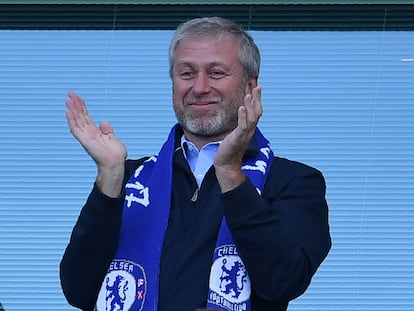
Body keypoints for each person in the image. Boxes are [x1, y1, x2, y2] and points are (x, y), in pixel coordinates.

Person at [60, 16, 331, 311]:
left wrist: (230, 175)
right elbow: (79, 290)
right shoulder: (129, 179)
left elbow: (284, 280)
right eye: (186, 73)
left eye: (216, 72)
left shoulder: (293, 181)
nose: (200, 87)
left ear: (250, 86)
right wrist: (109, 178)